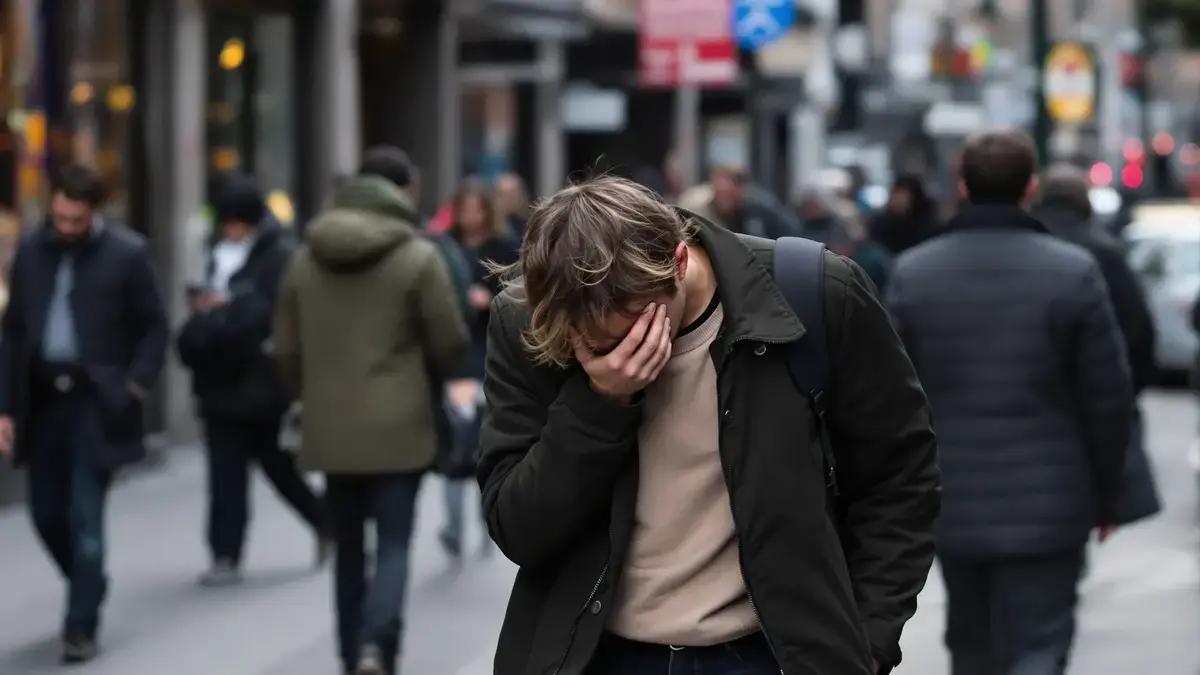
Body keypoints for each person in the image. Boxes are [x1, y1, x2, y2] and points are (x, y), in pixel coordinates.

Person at [477, 176, 940, 675]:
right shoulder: (530, 321)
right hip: (596, 655)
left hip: (768, 655)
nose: (615, 351)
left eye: (632, 327)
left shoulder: (815, 294)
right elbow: (519, 530)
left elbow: (899, 478)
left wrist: (867, 639)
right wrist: (600, 402)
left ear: (678, 263)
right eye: (591, 343)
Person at [886, 129, 1134, 675]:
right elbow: (1107, 397)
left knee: (971, 644)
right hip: (1052, 500)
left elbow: (889, 398)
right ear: (1031, 187)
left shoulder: (915, 274)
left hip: (953, 497)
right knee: (1039, 644)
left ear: (962, 185)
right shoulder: (1072, 272)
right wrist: (1107, 494)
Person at [272, 162, 469, 675]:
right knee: (396, 541)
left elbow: (286, 350)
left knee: (349, 548)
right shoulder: (418, 258)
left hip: (331, 427)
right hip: (401, 424)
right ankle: (377, 646)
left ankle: (347, 649)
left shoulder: (303, 261)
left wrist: (310, 395)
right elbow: (449, 341)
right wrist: (432, 377)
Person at [0, 163, 168, 662]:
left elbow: (154, 329)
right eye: (59, 218)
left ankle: (81, 627)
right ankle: (89, 585)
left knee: (86, 517)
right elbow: (13, 334)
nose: (66, 228)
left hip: (97, 402)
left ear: (95, 213)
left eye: (76, 220)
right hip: (44, 399)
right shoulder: (30, 252)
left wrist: (134, 385)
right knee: (46, 513)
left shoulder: (127, 254)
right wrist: (5, 407)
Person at [176, 174, 330, 586]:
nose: (231, 230)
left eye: (237, 222)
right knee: (224, 474)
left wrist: (221, 309)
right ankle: (225, 554)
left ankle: (324, 521)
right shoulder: (214, 253)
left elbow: (263, 315)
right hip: (217, 382)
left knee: (277, 466)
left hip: (258, 385)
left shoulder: (278, 255)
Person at [439, 180, 519, 559]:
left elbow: (520, 295)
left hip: (495, 353)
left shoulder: (504, 248)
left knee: (488, 435)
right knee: (461, 433)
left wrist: (491, 300)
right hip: (461, 355)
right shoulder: (445, 246)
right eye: (463, 207)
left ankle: (488, 518)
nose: (469, 215)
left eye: (476, 207)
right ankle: (454, 527)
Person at [678, 164, 800, 239]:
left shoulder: (757, 207)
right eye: (721, 192)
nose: (725, 199)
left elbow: (788, 229)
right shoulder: (694, 204)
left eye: (730, 194)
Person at [868, 174, 939, 256]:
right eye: (896, 195)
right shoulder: (879, 225)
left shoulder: (927, 226)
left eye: (903, 195)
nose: (899, 200)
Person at [493, 172, 530, 240]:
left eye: (512, 194)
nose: (509, 200)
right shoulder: (490, 230)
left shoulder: (528, 226)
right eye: (504, 195)